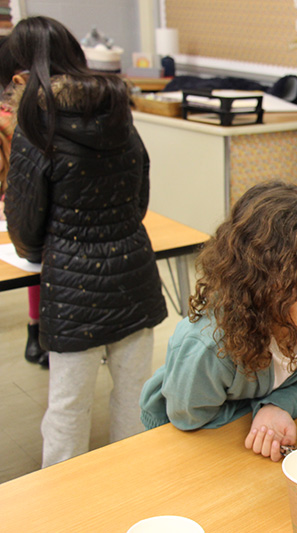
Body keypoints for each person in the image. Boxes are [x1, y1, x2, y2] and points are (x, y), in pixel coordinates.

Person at [1, 16, 168, 468]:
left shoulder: (36, 123)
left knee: (67, 408)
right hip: (133, 272)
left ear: (20, 70)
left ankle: (62, 503)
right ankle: (130, 489)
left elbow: (23, 218)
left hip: (73, 289)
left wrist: (40, 253)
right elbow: (140, 193)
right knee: (134, 396)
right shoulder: (118, 111)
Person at [140, 182, 297, 461]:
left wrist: (277, 406)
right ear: (259, 280)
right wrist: (260, 411)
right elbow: (188, 421)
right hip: (183, 440)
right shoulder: (209, 348)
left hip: (244, 445)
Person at [0, 35, 49, 368]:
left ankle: (37, 329)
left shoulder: (34, 108)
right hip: (13, 194)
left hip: (25, 192)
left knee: (37, 262)